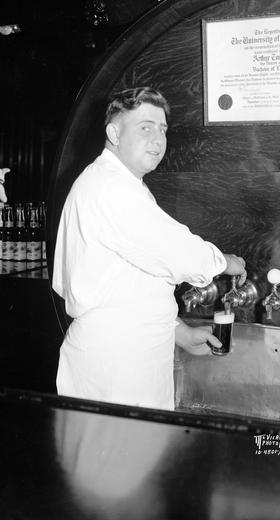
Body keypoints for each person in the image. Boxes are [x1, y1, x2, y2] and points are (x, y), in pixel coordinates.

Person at [53, 87, 246, 410]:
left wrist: (179, 331)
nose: (158, 139)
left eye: (163, 129)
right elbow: (176, 252)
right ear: (114, 133)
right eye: (145, 128)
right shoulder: (110, 187)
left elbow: (138, 278)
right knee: (118, 457)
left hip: (129, 356)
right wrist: (224, 262)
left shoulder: (124, 185)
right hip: (117, 363)